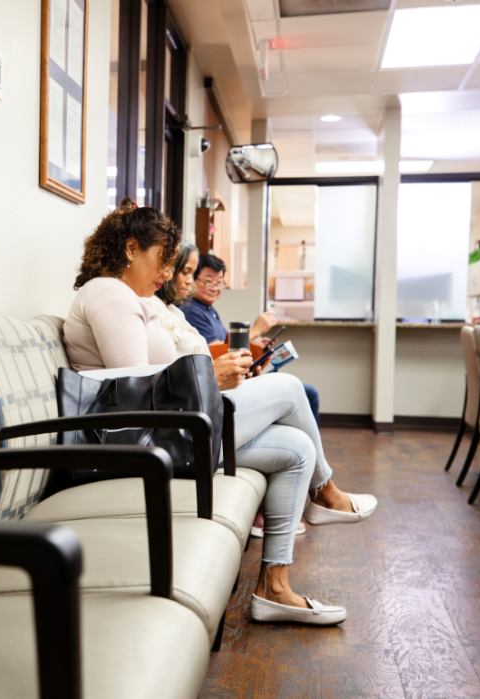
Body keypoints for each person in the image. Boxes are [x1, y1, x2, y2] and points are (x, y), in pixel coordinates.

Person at [64, 199, 377, 626]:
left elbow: (149, 381)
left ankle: (275, 589)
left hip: (168, 429)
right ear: (131, 249)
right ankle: (325, 491)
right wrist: (209, 375)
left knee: (298, 447)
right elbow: (134, 391)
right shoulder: (108, 293)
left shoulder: (133, 297)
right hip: (146, 438)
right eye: (162, 262)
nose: (167, 276)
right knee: (287, 388)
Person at [143, 244, 305, 539]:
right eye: (189, 273)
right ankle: (325, 493)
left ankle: (275, 580)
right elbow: (159, 379)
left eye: (217, 281)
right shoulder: (159, 309)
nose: (190, 282)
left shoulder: (178, 312)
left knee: (300, 444)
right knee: (293, 389)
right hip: (196, 414)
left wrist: (236, 363)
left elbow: (206, 358)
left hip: (212, 399)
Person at [182, 253, 322, 427]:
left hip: (239, 376)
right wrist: (255, 330)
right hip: (225, 384)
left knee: (302, 389)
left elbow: (227, 346)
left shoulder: (209, 310)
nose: (215, 288)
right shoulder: (191, 311)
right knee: (309, 393)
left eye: (219, 283)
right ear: (193, 279)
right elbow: (214, 352)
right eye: (208, 281)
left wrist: (254, 346)